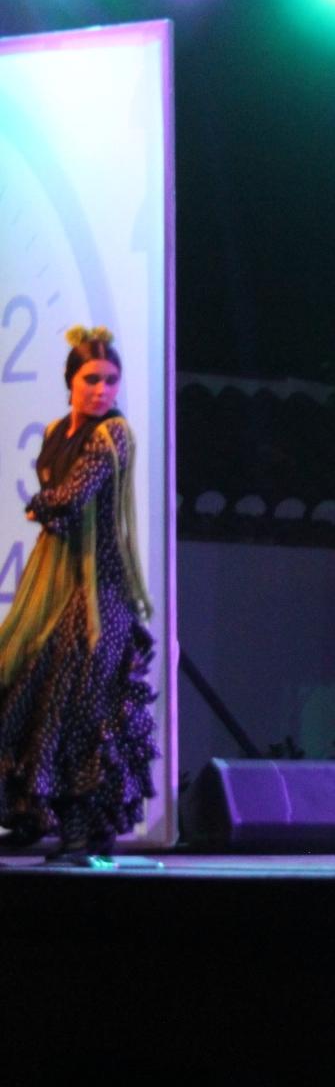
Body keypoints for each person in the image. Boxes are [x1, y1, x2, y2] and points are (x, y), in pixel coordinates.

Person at [0, 327, 156, 864]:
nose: (102, 390)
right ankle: (29, 817)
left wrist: (43, 504)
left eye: (111, 381)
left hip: (100, 591)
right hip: (56, 583)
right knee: (26, 689)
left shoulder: (115, 435)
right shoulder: (55, 431)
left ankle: (82, 836)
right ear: (71, 380)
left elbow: (70, 495)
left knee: (82, 705)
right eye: (91, 379)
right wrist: (47, 505)